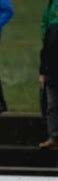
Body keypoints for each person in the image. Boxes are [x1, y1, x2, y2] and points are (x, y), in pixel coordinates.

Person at [38, 0, 58, 150]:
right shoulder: (51, 29)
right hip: (51, 73)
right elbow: (45, 52)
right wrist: (42, 73)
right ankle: (53, 137)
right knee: (51, 106)